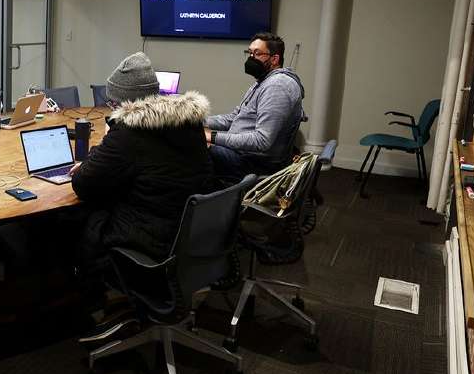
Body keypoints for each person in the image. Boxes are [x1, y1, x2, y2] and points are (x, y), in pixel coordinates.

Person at [72, 51, 213, 270]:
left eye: (112, 103)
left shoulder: (129, 133)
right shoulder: (190, 123)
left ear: (125, 103)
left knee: (76, 218)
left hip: (147, 238)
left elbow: (83, 184)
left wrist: (97, 152)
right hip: (187, 232)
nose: (112, 109)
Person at [205, 32, 305, 178]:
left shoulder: (277, 86)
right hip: (242, 154)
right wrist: (198, 121)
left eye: (257, 54)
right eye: (249, 53)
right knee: (190, 139)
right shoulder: (263, 82)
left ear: (274, 59)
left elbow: (262, 141)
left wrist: (211, 136)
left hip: (255, 163)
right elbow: (234, 118)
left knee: (190, 147)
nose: (251, 58)